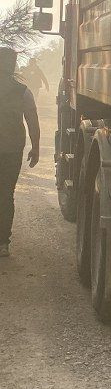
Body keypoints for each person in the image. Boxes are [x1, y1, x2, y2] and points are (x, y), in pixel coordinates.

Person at [0, 47, 39, 257]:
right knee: (6, 194)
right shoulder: (23, 91)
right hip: (12, 148)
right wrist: (36, 147)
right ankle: (3, 243)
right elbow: (32, 120)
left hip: (10, 148)